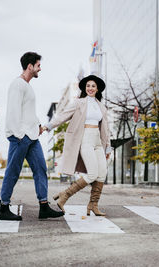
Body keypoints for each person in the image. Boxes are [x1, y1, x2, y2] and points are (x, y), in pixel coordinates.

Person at [0, 52, 64, 221]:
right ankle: (3, 208)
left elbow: (28, 113)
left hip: (32, 137)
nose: (40, 69)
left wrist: (38, 126)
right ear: (30, 66)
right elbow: (13, 111)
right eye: (38, 65)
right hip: (21, 137)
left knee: (41, 169)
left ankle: (43, 207)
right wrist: (18, 135)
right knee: (13, 171)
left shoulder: (27, 86)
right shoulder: (17, 84)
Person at [44, 75, 111, 216]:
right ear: (84, 88)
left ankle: (93, 205)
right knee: (92, 174)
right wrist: (48, 126)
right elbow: (63, 116)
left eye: (93, 86)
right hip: (85, 139)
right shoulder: (78, 103)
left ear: (97, 88)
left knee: (102, 173)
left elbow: (106, 129)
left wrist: (108, 147)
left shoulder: (102, 107)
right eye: (88, 86)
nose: (90, 88)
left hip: (98, 142)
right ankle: (65, 195)